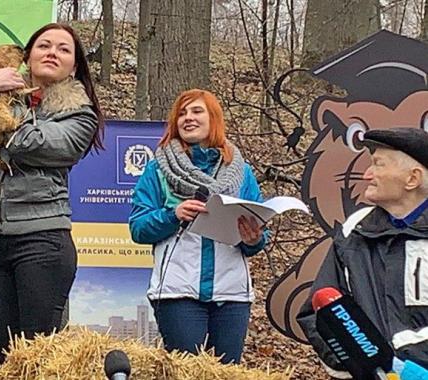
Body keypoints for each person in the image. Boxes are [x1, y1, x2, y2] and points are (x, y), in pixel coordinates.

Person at [0, 23, 104, 365]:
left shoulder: (79, 112)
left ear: (73, 66)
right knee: (3, 360)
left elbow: (38, 144)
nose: (51, 52)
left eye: (63, 49)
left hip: (42, 241)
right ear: (27, 57)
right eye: (43, 45)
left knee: (37, 359)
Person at [128, 89, 267, 364]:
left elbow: (259, 234)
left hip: (232, 294)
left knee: (226, 373)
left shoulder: (241, 171)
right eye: (182, 113)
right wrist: (173, 214)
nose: (188, 118)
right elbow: (138, 227)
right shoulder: (158, 169)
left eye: (196, 111)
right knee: (188, 372)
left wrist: (254, 239)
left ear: (213, 118)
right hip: (177, 291)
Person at [297, 127, 428, 378]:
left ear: (412, 179)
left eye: (378, 164)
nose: (367, 174)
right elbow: (317, 315)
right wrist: (363, 366)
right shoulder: (355, 231)